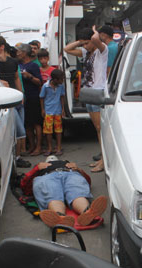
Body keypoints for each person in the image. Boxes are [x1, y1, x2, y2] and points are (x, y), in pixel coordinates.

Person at [64, 27, 108, 173]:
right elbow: (67, 49)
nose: (84, 46)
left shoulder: (102, 51)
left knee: (100, 129)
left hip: (97, 92)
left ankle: (104, 161)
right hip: (88, 92)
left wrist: (94, 31)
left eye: (86, 43)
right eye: (83, 44)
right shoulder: (86, 52)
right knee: (97, 129)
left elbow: (96, 40)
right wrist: (81, 41)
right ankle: (103, 159)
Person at [22, 155, 108, 227]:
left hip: (70, 173)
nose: (52, 160)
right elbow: (25, 184)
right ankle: (60, 217)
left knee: (76, 193)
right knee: (53, 194)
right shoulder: (40, 167)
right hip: (47, 176)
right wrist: (36, 168)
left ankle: (87, 212)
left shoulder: (68, 164)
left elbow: (87, 181)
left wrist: (78, 169)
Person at [0, 36, 30, 168]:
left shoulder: (13, 62)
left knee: (18, 134)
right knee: (20, 132)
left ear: (2, 47)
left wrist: (21, 94)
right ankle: (13, 159)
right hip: (5, 102)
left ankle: (16, 158)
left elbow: (16, 77)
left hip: (17, 100)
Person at [17, 43, 44, 156]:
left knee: (37, 123)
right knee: (27, 124)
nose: (17, 54)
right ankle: (31, 146)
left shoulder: (33, 66)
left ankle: (38, 147)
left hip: (33, 96)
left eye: (19, 51)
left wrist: (30, 76)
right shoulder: (17, 64)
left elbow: (40, 82)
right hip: (23, 98)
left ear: (24, 53)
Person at [40, 69, 66, 156]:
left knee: (58, 131)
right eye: (60, 79)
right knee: (48, 131)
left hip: (57, 111)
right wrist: (43, 109)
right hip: (48, 111)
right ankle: (50, 148)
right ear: (55, 79)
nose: (62, 81)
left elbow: (62, 97)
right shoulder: (45, 86)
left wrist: (63, 109)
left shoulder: (61, 86)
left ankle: (58, 147)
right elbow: (42, 98)